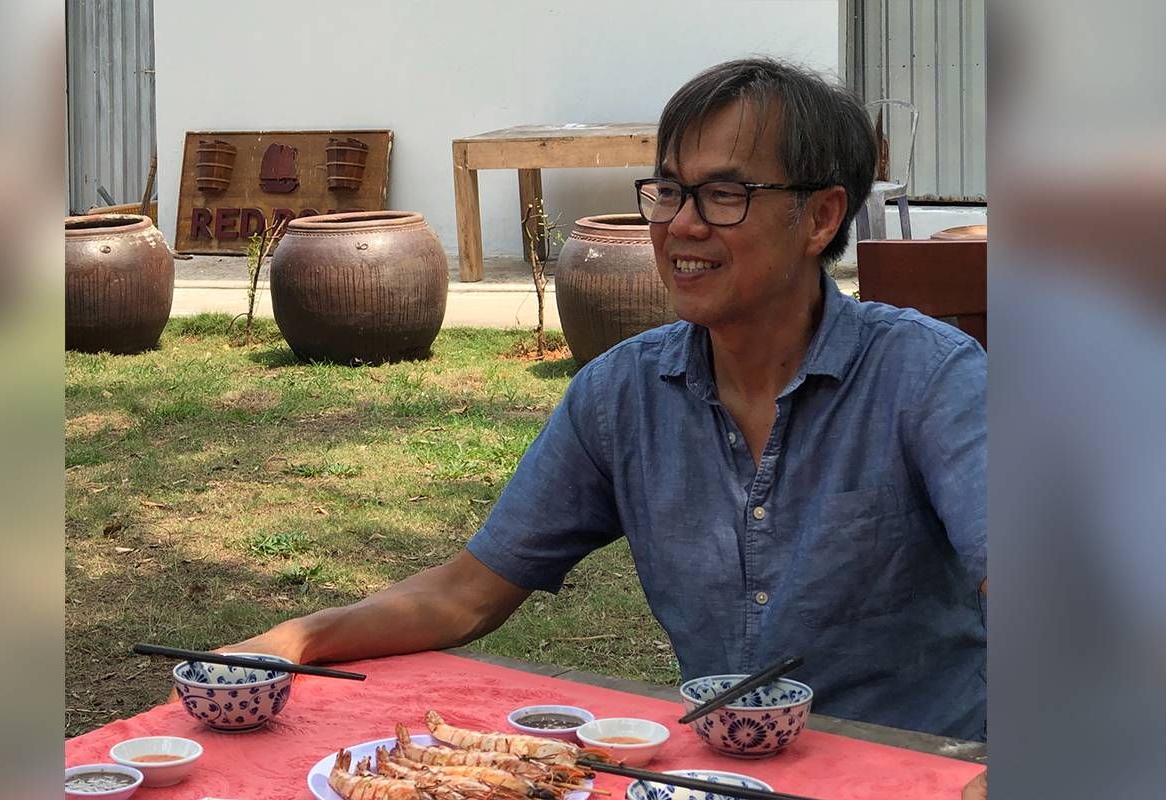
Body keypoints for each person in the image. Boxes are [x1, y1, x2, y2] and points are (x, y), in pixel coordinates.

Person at [220, 58, 987, 744]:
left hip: (927, 768)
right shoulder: (623, 395)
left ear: (821, 217)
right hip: (719, 772)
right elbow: (466, 594)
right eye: (670, 191)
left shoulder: (927, 377)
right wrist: (297, 639)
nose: (681, 225)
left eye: (725, 194)